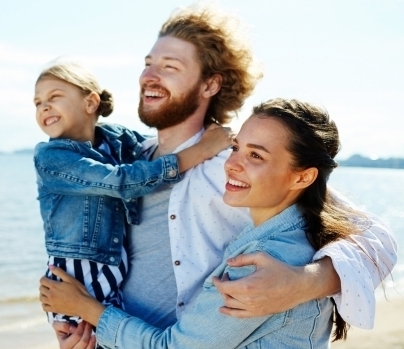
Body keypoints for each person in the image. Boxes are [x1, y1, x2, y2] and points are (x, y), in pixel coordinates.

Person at [41, 1, 397, 349]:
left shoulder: (236, 165)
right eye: (148, 63)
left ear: (210, 85)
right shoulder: (130, 160)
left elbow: (376, 239)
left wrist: (303, 283)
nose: (149, 75)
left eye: (170, 67)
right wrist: (78, 325)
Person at [41, 98, 380, 348]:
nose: (232, 165)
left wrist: (86, 308)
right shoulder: (285, 233)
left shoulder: (264, 264)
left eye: (256, 156)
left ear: (303, 177)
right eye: (235, 148)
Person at [33, 61, 232, 327]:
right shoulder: (52, 156)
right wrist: (201, 151)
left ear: (90, 103)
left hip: (115, 275)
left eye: (54, 97)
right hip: (78, 277)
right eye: (37, 103)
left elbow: (163, 145)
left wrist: (210, 134)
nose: (44, 107)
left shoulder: (117, 138)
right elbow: (123, 181)